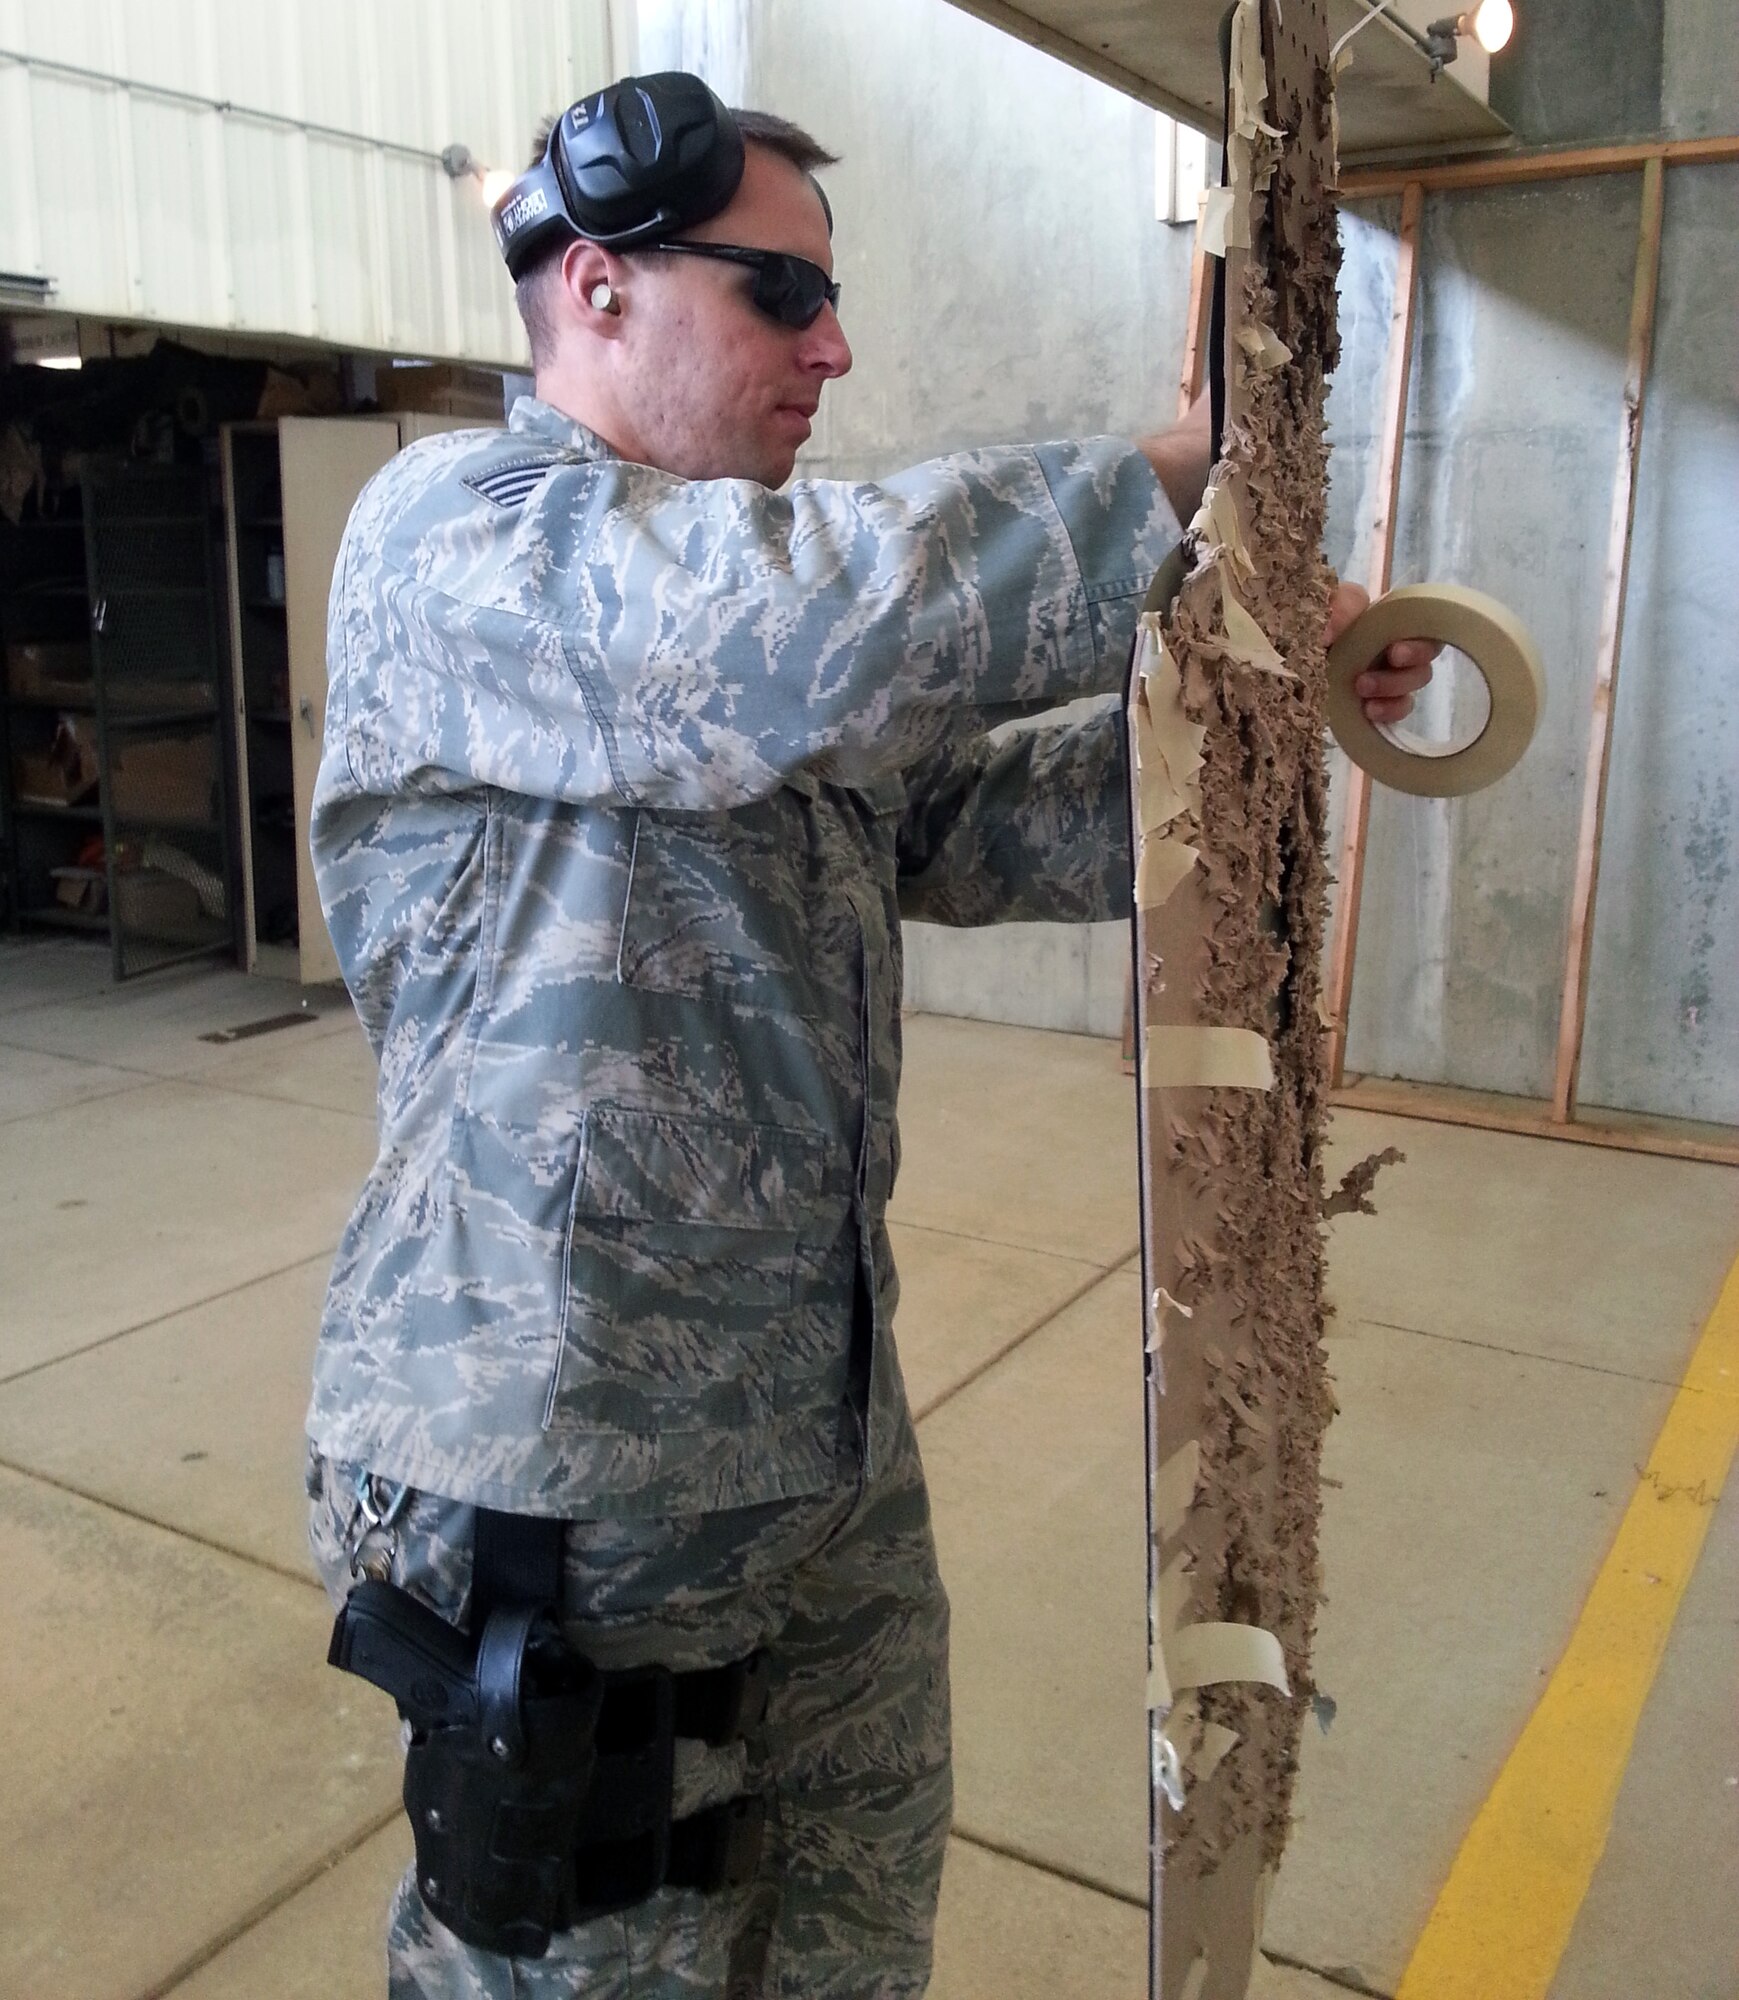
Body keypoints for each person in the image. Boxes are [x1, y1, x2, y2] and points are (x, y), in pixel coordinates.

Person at [305, 73, 1434, 2000]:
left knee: (843, 1919)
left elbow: (973, 821)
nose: (832, 347)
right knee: (601, 1955)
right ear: (596, 287)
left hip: (806, 1430)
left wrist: (1256, 716)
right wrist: (1174, 481)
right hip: (565, 1464)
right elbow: (805, 640)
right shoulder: (466, 539)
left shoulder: (740, 620)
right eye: (776, 294)